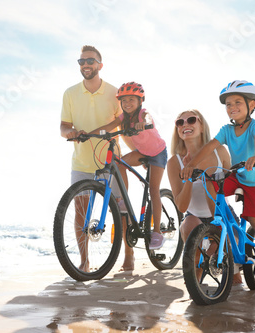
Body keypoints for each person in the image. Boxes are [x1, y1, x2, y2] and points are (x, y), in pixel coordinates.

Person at [180, 80, 255, 282]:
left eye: (237, 102)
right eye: (228, 104)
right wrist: (192, 164)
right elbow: (210, 146)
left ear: (251, 105)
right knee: (211, 183)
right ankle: (219, 222)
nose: (232, 107)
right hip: (237, 176)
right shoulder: (227, 130)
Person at [60, 45, 132, 271]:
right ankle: (84, 261)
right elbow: (63, 126)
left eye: (90, 61)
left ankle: (128, 257)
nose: (85, 65)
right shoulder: (70, 93)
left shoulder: (114, 92)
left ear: (100, 65)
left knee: (121, 210)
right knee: (81, 212)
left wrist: (103, 130)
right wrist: (69, 133)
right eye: (81, 62)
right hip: (82, 161)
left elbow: (123, 119)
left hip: (111, 160)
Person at [167, 109, 244, 284]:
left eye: (191, 120)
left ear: (202, 126)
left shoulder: (220, 152)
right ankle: (198, 276)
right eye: (180, 122)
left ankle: (222, 264)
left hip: (222, 214)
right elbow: (181, 207)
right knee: (188, 226)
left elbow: (233, 182)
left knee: (236, 280)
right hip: (194, 216)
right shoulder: (174, 163)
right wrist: (188, 175)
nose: (185, 124)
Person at [89, 82, 168, 251]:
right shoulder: (123, 118)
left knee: (153, 189)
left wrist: (143, 124)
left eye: (131, 99)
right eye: (124, 101)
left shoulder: (143, 114)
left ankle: (157, 232)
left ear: (140, 101)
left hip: (157, 153)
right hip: (142, 152)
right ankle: (123, 201)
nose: (127, 104)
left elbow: (148, 119)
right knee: (118, 163)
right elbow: (108, 127)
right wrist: (89, 134)